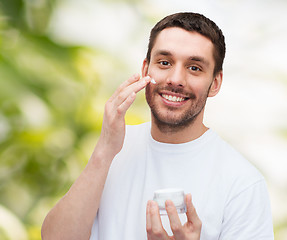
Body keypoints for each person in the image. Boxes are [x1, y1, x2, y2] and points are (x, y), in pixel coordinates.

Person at [41, 12, 274, 240]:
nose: (175, 79)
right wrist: (104, 151)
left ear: (215, 83)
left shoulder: (242, 183)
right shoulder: (112, 149)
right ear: (145, 70)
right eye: (164, 62)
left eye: (194, 67)